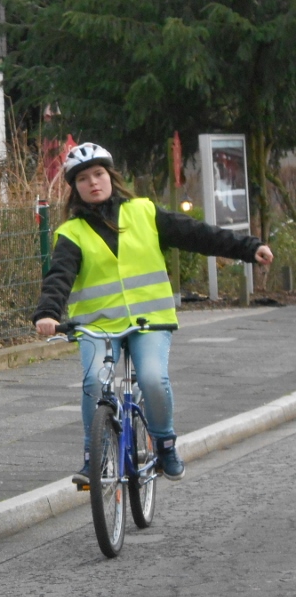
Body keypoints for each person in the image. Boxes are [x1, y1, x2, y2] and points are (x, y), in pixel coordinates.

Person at [33, 142, 273, 483]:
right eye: (83, 178)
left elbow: (199, 235)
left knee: (152, 379)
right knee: (93, 383)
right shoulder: (71, 233)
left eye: (99, 174)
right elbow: (58, 278)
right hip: (97, 326)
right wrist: (48, 313)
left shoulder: (144, 212)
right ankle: (94, 459)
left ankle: (164, 444)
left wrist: (250, 247)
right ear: (76, 188)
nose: (93, 182)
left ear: (111, 176)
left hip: (149, 321)